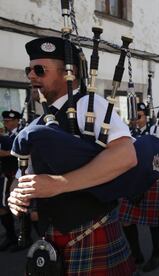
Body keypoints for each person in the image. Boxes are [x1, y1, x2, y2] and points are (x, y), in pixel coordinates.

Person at [7, 37, 137, 274]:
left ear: (70, 72)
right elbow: (23, 175)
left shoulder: (89, 104)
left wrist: (58, 184)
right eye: (29, 70)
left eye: (40, 70)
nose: (31, 76)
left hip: (91, 231)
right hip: (51, 236)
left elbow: (126, 155)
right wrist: (16, 194)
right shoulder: (37, 123)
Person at [119, 102, 159, 272]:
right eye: (135, 116)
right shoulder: (128, 132)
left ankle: (156, 254)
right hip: (132, 181)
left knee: (154, 221)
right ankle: (136, 253)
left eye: (140, 116)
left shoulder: (155, 130)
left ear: (145, 116)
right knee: (125, 220)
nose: (137, 119)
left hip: (152, 181)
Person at [0, 110, 21, 251]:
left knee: (18, 206)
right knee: (4, 207)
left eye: (9, 121)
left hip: (16, 175)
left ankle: (22, 237)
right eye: (5, 121)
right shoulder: (7, 135)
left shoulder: (22, 132)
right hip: (7, 175)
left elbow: (20, 151)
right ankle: (12, 237)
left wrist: (5, 153)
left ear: (16, 121)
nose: (6, 123)